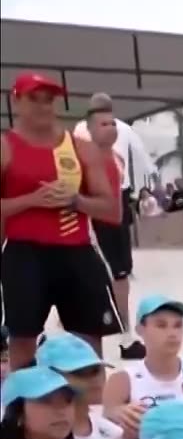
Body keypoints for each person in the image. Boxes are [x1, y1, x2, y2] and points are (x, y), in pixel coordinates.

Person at [1, 72, 125, 371]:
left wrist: (76, 201)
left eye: (49, 100)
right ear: (15, 101)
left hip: (76, 252)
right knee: (22, 345)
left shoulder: (80, 147)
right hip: (24, 254)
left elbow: (112, 210)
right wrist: (31, 200)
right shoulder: (5, 146)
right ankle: (19, 414)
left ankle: (92, 414)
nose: (44, 106)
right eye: (34, 98)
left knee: (88, 347)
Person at [74, 94, 144, 359]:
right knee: (103, 279)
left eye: (113, 123)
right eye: (103, 124)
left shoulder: (116, 159)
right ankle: (118, 336)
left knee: (121, 275)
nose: (111, 128)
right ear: (90, 128)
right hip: (97, 224)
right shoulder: (85, 156)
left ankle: (125, 334)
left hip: (116, 218)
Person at [102, 294, 183, 432]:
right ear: (140, 330)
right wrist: (117, 413)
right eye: (161, 325)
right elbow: (105, 432)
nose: (172, 333)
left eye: (178, 325)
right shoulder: (122, 381)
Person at [36, 332, 123, 439]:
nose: (94, 379)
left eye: (95, 370)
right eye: (80, 372)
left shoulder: (115, 435)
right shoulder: (34, 438)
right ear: (49, 378)